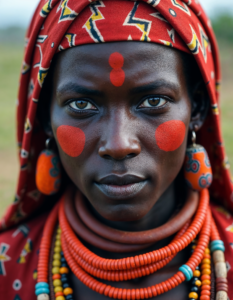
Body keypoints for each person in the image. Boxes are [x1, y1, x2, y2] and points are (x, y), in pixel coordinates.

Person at [0, 0, 232, 299]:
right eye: (81, 105)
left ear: (197, 107)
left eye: (153, 101)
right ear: (45, 117)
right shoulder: (9, 267)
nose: (119, 145)